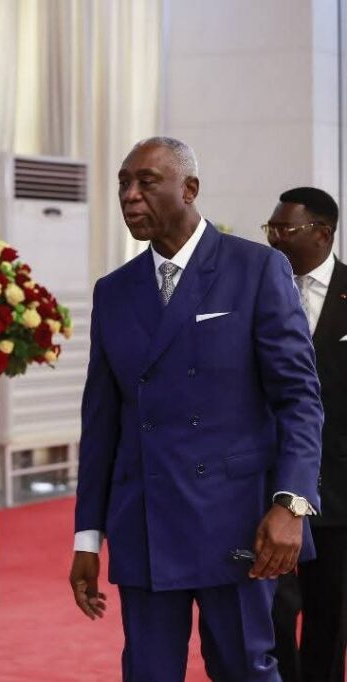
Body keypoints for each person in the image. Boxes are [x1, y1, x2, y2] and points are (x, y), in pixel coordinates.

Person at [68, 137, 324, 681]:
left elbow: (299, 399)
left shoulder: (256, 268)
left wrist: (293, 503)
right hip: (145, 521)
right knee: (148, 673)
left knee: (244, 669)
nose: (130, 196)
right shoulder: (113, 291)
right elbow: (102, 422)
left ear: (189, 189)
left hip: (237, 522)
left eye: (146, 183)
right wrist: (87, 536)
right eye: (123, 184)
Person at [266, 187, 347, 682]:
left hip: (338, 492)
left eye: (285, 229)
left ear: (322, 233)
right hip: (269, 488)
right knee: (272, 612)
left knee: (329, 619)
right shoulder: (259, 289)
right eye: (271, 228)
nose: (275, 238)